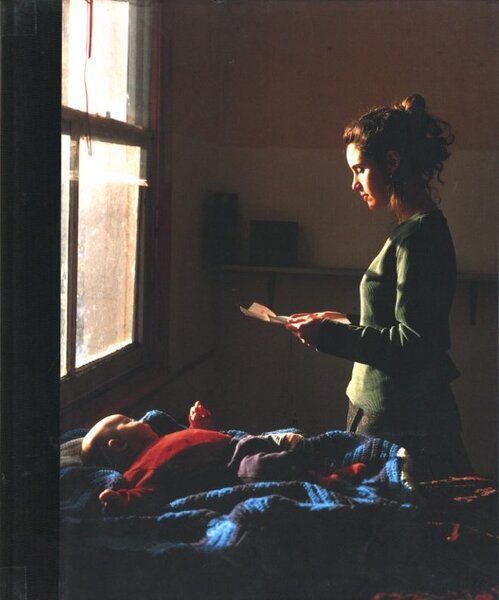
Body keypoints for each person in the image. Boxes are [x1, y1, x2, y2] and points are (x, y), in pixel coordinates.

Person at [286, 93, 473, 481]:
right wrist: (343, 320)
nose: (354, 184)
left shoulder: (421, 235)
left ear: (391, 162)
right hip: (380, 411)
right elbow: (396, 319)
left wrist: (328, 336)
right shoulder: (409, 231)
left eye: (359, 169)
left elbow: (414, 343)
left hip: (399, 420)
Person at [81, 402, 365, 514]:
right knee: (268, 466)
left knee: (279, 446)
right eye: (129, 421)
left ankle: (323, 464)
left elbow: (194, 442)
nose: (142, 419)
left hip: (236, 444)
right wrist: (120, 500)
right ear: (118, 445)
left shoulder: (163, 438)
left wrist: (198, 427)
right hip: (233, 468)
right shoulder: (140, 470)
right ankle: (326, 480)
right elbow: (145, 495)